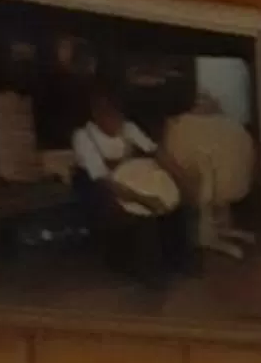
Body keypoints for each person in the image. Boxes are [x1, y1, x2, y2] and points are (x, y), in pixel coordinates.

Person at [71, 87, 185, 283]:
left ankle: (178, 261)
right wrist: (144, 199)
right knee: (141, 214)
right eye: (107, 113)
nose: (115, 119)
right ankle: (148, 272)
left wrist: (179, 175)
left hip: (130, 179)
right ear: (97, 114)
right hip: (99, 189)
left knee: (176, 205)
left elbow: (154, 150)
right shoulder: (83, 136)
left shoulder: (128, 128)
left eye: (117, 114)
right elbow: (103, 180)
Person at [161, 86, 256, 259]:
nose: (201, 104)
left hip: (218, 176)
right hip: (198, 176)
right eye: (198, 100)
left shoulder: (224, 127)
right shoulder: (181, 127)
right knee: (208, 177)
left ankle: (221, 228)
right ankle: (206, 235)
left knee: (221, 172)